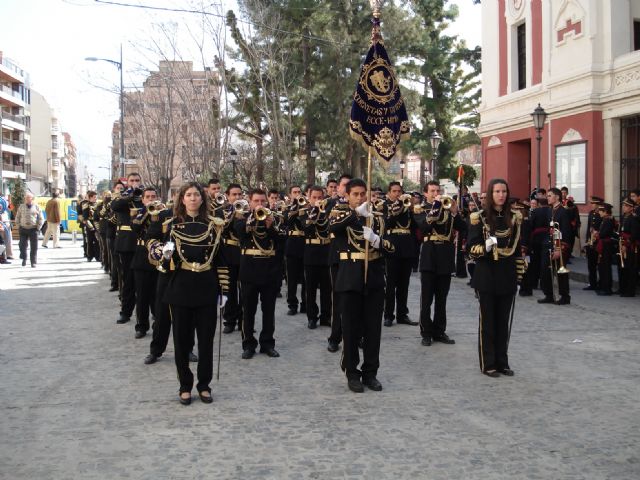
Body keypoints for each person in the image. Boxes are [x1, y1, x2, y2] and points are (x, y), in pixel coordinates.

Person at [154, 182, 227, 405]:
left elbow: (221, 261)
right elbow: (164, 266)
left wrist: (224, 289)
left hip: (206, 286)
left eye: (197, 194)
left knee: (206, 341)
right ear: (182, 199)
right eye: (189, 195)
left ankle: (204, 385)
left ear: (202, 199)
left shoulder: (214, 225)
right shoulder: (172, 225)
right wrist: (164, 256)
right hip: (181, 287)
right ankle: (185, 385)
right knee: (182, 341)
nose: (193, 198)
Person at [330, 178, 393, 392]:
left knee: (373, 329)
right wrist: (357, 214)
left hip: (373, 277)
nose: (359, 197)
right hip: (349, 278)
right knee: (351, 329)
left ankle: (370, 372)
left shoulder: (377, 219)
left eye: (362, 194)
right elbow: (333, 227)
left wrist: (376, 240)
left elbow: (392, 247)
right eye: (355, 194)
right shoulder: (340, 214)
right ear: (347, 196)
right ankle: (352, 372)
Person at [468, 178, 524, 377]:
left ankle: (502, 361)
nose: (501, 195)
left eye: (504, 191)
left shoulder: (515, 218)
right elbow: (471, 250)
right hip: (487, 275)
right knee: (488, 322)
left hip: (507, 274)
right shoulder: (479, 217)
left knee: (503, 321)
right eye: (497, 191)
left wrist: (518, 278)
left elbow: (517, 251)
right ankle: (488, 363)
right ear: (491, 194)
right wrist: (486, 247)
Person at [415, 181, 466, 346]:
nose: (435, 193)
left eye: (438, 190)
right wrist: (435, 208)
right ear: (425, 193)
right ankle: (426, 332)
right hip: (430, 253)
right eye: (432, 191)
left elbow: (462, 227)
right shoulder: (421, 209)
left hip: (445, 254)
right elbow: (423, 227)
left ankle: (439, 331)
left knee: (442, 297)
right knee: (427, 298)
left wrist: (454, 213)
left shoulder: (447, 208)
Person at [235, 188, 284, 359]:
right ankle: (248, 344)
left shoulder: (275, 217)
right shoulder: (242, 217)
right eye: (256, 201)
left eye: (263, 201)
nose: (260, 205)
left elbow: (282, 240)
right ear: (250, 202)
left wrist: (271, 227)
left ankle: (267, 343)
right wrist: (253, 218)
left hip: (269, 270)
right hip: (249, 270)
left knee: (268, 310)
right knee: (248, 310)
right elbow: (240, 232)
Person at [383, 182, 418, 327]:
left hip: (407, 248)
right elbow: (386, 224)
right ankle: (388, 315)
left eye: (399, 191)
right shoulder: (384, 206)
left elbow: (415, 226)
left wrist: (411, 210)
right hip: (392, 247)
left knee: (404, 284)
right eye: (394, 191)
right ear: (389, 193)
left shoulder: (408, 207)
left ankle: (402, 314)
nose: (397, 194)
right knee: (390, 284)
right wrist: (398, 209)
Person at [110, 173, 144, 324]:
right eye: (132, 181)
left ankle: (148, 313)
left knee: (144, 282)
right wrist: (129, 194)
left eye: (137, 180)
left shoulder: (145, 195)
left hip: (143, 244)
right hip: (126, 244)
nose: (135, 183)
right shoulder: (123, 196)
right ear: (127, 182)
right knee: (128, 281)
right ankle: (126, 311)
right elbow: (114, 206)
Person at [326, 173, 352, 352]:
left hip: (357, 257)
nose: (346, 188)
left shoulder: (364, 206)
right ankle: (335, 336)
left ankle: (355, 336)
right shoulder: (330, 203)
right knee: (337, 299)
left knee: (356, 299)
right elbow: (331, 225)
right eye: (344, 185)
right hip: (337, 255)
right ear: (339, 188)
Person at [301, 185, 331, 329]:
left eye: (320, 197)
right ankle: (312, 317)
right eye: (315, 197)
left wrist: (323, 211)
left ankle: (326, 316)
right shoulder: (304, 212)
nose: (318, 200)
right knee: (310, 288)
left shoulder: (328, 212)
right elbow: (306, 229)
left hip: (326, 251)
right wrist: (315, 212)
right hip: (311, 253)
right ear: (309, 197)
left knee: (327, 288)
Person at [131, 187, 159, 339]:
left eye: (153, 196)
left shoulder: (163, 212)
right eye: (147, 197)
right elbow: (135, 227)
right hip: (142, 256)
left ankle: (158, 322)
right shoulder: (138, 212)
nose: (150, 199)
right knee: (142, 295)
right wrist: (148, 210)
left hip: (158, 257)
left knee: (158, 294)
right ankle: (141, 326)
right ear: (143, 199)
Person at [537, 188, 572, 305]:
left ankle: (565, 296)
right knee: (545, 270)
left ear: (557, 197)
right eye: (547, 195)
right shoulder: (549, 210)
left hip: (559, 246)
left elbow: (566, 232)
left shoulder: (563, 211)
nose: (548, 197)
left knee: (560, 272)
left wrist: (559, 249)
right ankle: (549, 294)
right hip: (549, 244)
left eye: (550, 195)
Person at [220, 183, 244, 334]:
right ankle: (229, 320)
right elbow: (222, 230)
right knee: (228, 289)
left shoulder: (248, 210)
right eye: (234, 195)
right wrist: (233, 215)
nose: (237, 197)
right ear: (228, 196)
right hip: (228, 252)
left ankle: (244, 320)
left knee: (245, 290)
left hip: (244, 253)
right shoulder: (221, 211)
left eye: (239, 194)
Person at [284, 185, 307, 316]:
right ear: (290, 194)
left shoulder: (308, 208)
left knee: (305, 278)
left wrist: (303, 209)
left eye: (299, 192)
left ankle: (305, 304)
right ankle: (292, 304)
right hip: (292, 245)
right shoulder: (287, 208)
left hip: (305, 244)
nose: (297, 194)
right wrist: (295, 208)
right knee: (291, 278)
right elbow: (287, 221)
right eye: (295, 192)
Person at [15, 192, 44, 267]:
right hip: (23, 229)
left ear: (32, 199)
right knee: (22, 245)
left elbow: (41, 218)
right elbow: (17, 217)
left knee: (34, 247)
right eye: (26, 198)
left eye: (29, 198)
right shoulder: (21, 207)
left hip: (33, 229)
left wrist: (38, 227)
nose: (27, 199)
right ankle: (24, 258)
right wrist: (18, 226)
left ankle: (33, 262)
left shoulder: (37, 207)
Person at [619, 197, 638, 297]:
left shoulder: (633, 218)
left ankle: (630, 291)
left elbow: (634, 234)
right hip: (623, 244)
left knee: (631, 268)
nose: (624, 207)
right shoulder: (624, 217)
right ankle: (623, 288)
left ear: (631, 208)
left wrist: (626, 245)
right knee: (624, 268)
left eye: (626, 206)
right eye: (623, 205)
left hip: (630, 246)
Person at [583, 196, 603, 291]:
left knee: (599, 265)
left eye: (593, 203)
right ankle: (592, 283)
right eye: (591, 203)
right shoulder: (591, 213)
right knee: (591, 265)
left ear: (598, 205)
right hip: (591, 242)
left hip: (598, 242)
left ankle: (600, 283)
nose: (592, 205)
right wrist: (587, 240)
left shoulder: (601, 214)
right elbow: (588, 228)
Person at [595, 203, 615, 296]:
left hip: (606, 246)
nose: (599, 212)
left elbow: (604, 233)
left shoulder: (608, 220)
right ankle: (603, 286)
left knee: (605, 267)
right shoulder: (605, 220)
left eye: (601, 211)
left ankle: (607, 288)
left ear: (605, 212)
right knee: (602, 266)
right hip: (603, 245)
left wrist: (597, 234)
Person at [82, 191, 101, 262]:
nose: (96, 198)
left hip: (97, 224)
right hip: (89, 224)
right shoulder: (86, 204)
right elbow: (85, 218)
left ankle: (98, 256)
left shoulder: (98, 204)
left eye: (96, 197)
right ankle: (89, 256)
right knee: (90, 241)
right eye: (94, 197)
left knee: (97, 241)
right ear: (90, 198)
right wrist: (91, 228)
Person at [0, 195, 14, 261]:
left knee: (3, 241)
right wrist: (10, 201)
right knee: (7, 240)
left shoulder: (4, 201)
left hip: (4, 222)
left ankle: (4, 255)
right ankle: (8, 255)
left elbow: (11, 209)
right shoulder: (4, 201)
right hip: (5, 222)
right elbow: (11, 209)